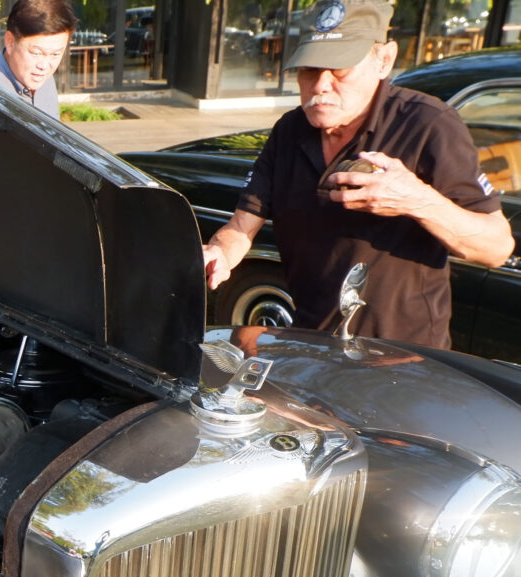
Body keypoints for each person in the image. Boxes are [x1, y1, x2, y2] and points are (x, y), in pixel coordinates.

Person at [201, 0, 514, 348]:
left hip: (404, 357)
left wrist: (418, 200)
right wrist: (220, 254)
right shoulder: (289, 131)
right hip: (312, 346)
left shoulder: (429, 125)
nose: (321, 84)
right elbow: (241, 227)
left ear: (384, 60)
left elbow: (497, 247)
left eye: (339, 68)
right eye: (309, 69)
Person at [0, 0, 77, 118]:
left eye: (55, 54)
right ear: (10, 42)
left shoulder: (44, 80)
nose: (44, 66)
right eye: (36, 53)